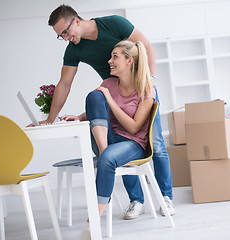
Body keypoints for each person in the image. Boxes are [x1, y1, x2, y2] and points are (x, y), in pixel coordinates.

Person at [46, 4, 175, 218]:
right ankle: (136, 200)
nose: (66, 38)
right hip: (115, 93)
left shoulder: (114, 23)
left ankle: (166, 197)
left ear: (76, 20)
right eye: (61, 36)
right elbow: (64, 83)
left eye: (66, 32)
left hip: (142, 89)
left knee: (157, 144)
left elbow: (145, 46)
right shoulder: (74, 49)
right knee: (118, 143)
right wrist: (50, 119)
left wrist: (148, 82)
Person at [74, 40, 154, 239]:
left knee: (109, 157)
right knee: (94, 96)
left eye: (115, 57)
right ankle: (104, 152)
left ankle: (96, 214)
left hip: (133, 143)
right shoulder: (109, 84)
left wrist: (110, 99)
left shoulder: (145, 88)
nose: (109, 61)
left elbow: (134, 127)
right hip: (108, 139)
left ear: (129, 61)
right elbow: (98, 107)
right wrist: (79, 117)